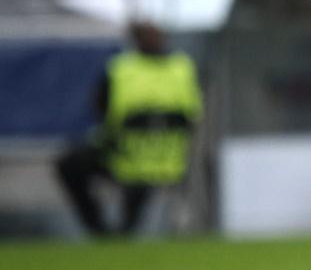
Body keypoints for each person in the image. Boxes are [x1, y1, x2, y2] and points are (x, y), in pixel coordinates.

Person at [56, 21, 203, 236]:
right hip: (164, 159)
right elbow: (193, 116)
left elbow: (102, 111)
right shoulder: (180, 68)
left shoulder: (122, 70)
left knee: (72, 165)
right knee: (71, 165)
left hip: (132, 157)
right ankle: (105, 231)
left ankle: (105, 231)